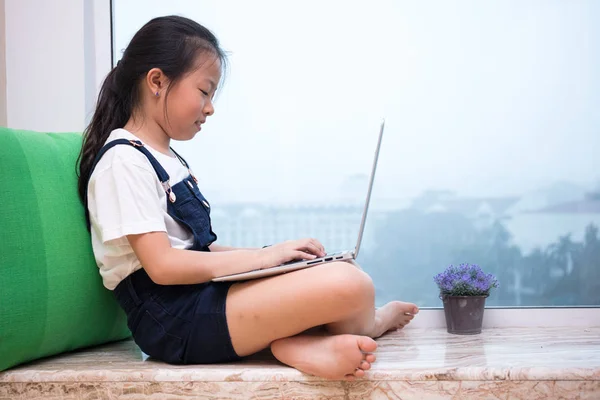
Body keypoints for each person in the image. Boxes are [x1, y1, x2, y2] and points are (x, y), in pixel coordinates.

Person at [77, 15, 418, 381]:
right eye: (205, 91)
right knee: (350, 286)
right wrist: (261, 258)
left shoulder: (167, 160)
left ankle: (294, 343)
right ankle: (361, 325)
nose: (210, 107)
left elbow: (198, 252)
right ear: (157, 81)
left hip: (198, 298)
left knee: (340, 271)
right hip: (172, 320)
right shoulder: (123, 162)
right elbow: (163, 266)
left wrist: (272, 258)